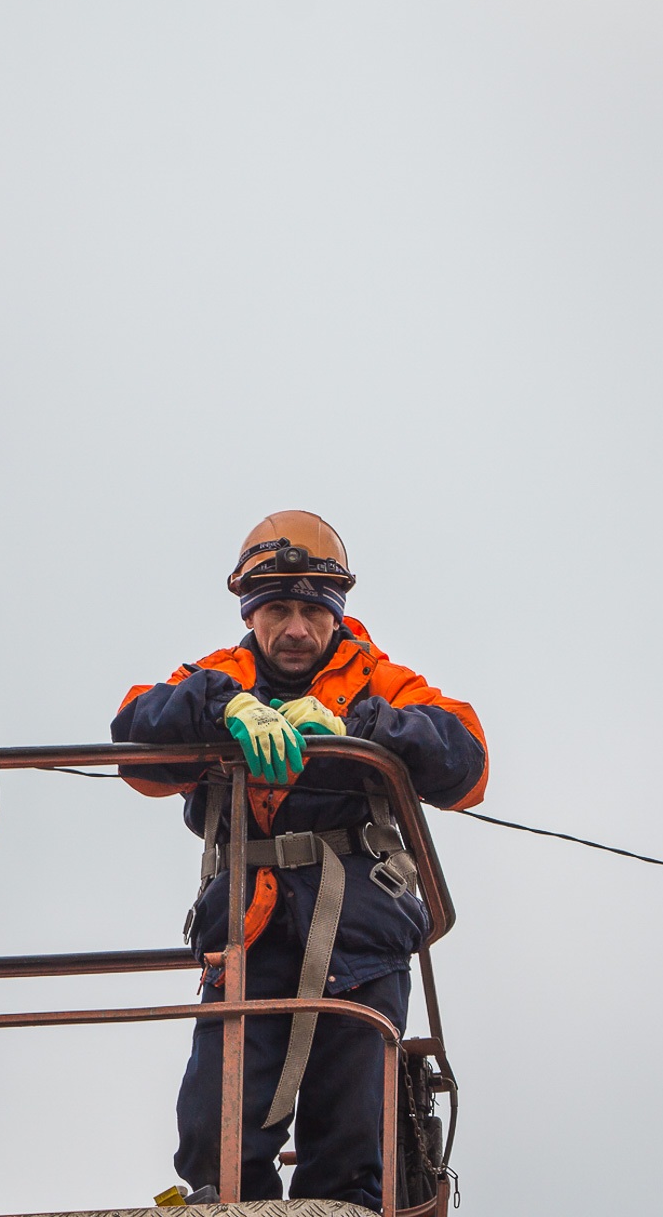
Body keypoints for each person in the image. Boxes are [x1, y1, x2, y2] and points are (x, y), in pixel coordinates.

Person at [110, 511, 486, 1210]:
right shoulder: (219, 678)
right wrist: (223, 710)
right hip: (248, 936)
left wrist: (361, 729)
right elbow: (133, 735)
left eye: (311, 611)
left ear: (335, 613)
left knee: (349, 1145)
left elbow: (466, 758)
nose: (294, 629)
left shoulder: (380, 681)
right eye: (277, 610)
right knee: (214, 1141)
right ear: (251, 615)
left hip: (361, 937)